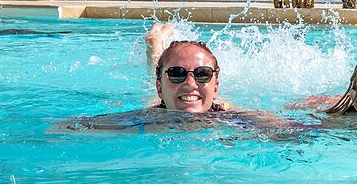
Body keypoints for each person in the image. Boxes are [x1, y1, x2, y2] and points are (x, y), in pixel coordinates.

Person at [50, 21, 288, 134]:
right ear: (160, 88)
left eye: (203, 74)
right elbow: (64, 127)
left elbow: (290, 130)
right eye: (177, 74)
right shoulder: (147, 117)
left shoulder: (232, 117)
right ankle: (155, 47)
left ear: (215, 87)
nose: (190, 83)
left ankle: (160, 51)